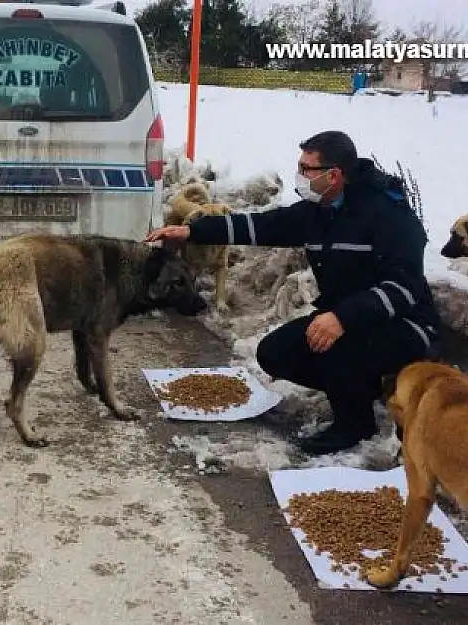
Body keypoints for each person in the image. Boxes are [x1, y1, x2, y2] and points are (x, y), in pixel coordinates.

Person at [145, 130, 442, 455]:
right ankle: (359, 387)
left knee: (340, 347)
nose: (299, 176)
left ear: (335, 174)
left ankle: (355, 422)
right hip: (343, 317)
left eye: (306, 169)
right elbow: (261, 225)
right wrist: (193, 230)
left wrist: (342, 317)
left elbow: (404, 288)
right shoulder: (319, 209)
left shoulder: (389, 215)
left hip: (404, 324)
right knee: (275, 352)